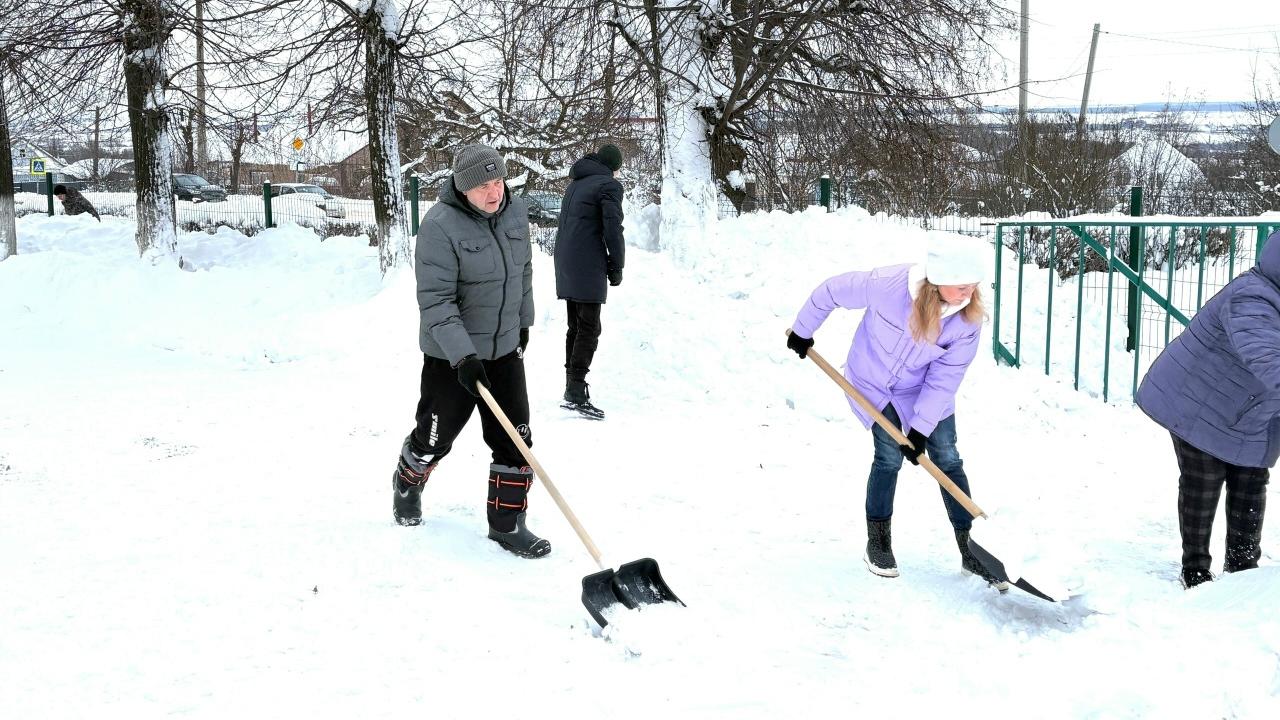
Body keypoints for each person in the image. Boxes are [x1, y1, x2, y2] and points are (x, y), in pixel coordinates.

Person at [786, 235, 1006, 590]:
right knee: (888, 456)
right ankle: (878, 543)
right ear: (939, 278)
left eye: (973, 286)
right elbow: (831, 291)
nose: (969, 293)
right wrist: (803, 330)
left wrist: (920, 429)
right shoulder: (886, 286)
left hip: (925, 391)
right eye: (962, 286)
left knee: (947, 457)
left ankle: (972, 550)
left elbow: (944, 379)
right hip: (873, 382)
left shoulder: (968, 321)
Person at [391, 143, 548, 559]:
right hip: (451, 357)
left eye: (498, 181)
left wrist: (523, 324)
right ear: (463, 189)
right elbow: (437, 302)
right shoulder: (439, 226)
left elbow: (524, 273)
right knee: (434, 438)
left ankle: (507, 524)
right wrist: (464, 357)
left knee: (516, 440)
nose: (494, 193)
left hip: (504, 349)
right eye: (483, 187)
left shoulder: (514, 212)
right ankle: (408, 480)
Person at [1135, 229, 1280, 589]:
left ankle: (1242, 568)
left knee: (1250, 480)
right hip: (1197, 401)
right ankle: (1195, 567)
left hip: (1249, 410)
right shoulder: (1253, 297)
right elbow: (1266, 357)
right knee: (1204, 481)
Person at [552, 143, 625, 419]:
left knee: (576, 325)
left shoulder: (577, 183)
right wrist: (616, 264)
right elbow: (612, 227)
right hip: (587, 262)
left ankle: (572, 385)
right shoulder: (607, 186)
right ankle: (575, 390)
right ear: (613, 166)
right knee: (590, 327)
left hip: (567, 260)